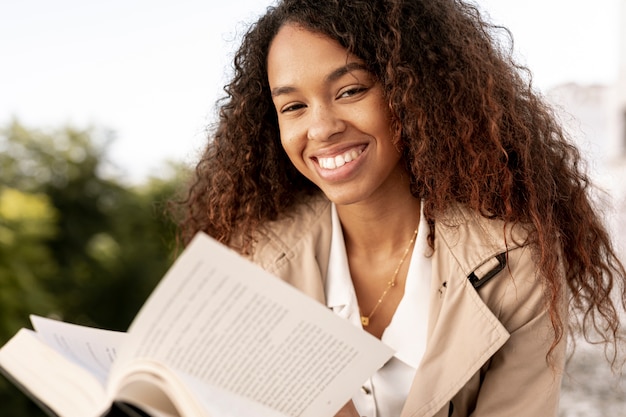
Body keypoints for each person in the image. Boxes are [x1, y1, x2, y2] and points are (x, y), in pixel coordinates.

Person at [177, 0, 626, 416]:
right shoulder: (254, 260)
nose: (322, 128)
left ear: (413, 91)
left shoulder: (515, 262)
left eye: (350, 91)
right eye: (293, 106)